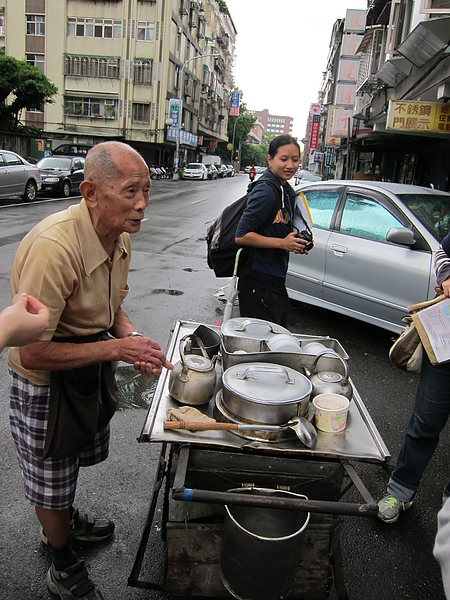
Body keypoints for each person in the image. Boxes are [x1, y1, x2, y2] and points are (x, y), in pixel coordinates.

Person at [8, 141, 173, 600]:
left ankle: (61, 522)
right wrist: (114, 350)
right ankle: (61, 561)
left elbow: (113, 305)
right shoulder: (55, 248)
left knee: (70, 461)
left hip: (85, 366)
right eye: (129, 192)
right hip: (45, 379)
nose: (141, 204)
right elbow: (31, 353)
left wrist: (132, 339)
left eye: (146, 191)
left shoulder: (117, 236)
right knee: (51, 475)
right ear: (90, 192)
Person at [377, 232, 450, 523]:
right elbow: (443, 251)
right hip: (444, 350)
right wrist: (447, 276)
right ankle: (400, 491)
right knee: (424, 424)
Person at [235, 134, 310, 327]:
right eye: (283, 159)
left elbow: (278, 228)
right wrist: (282, 244)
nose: (290, 165)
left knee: (275, 333)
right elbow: (241, 235)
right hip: (257, 279)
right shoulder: (266, 191)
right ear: (270, 159)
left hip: (274, 277)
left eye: (294, 160)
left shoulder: (285, 190)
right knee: (259, 340)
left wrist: (295, 243)